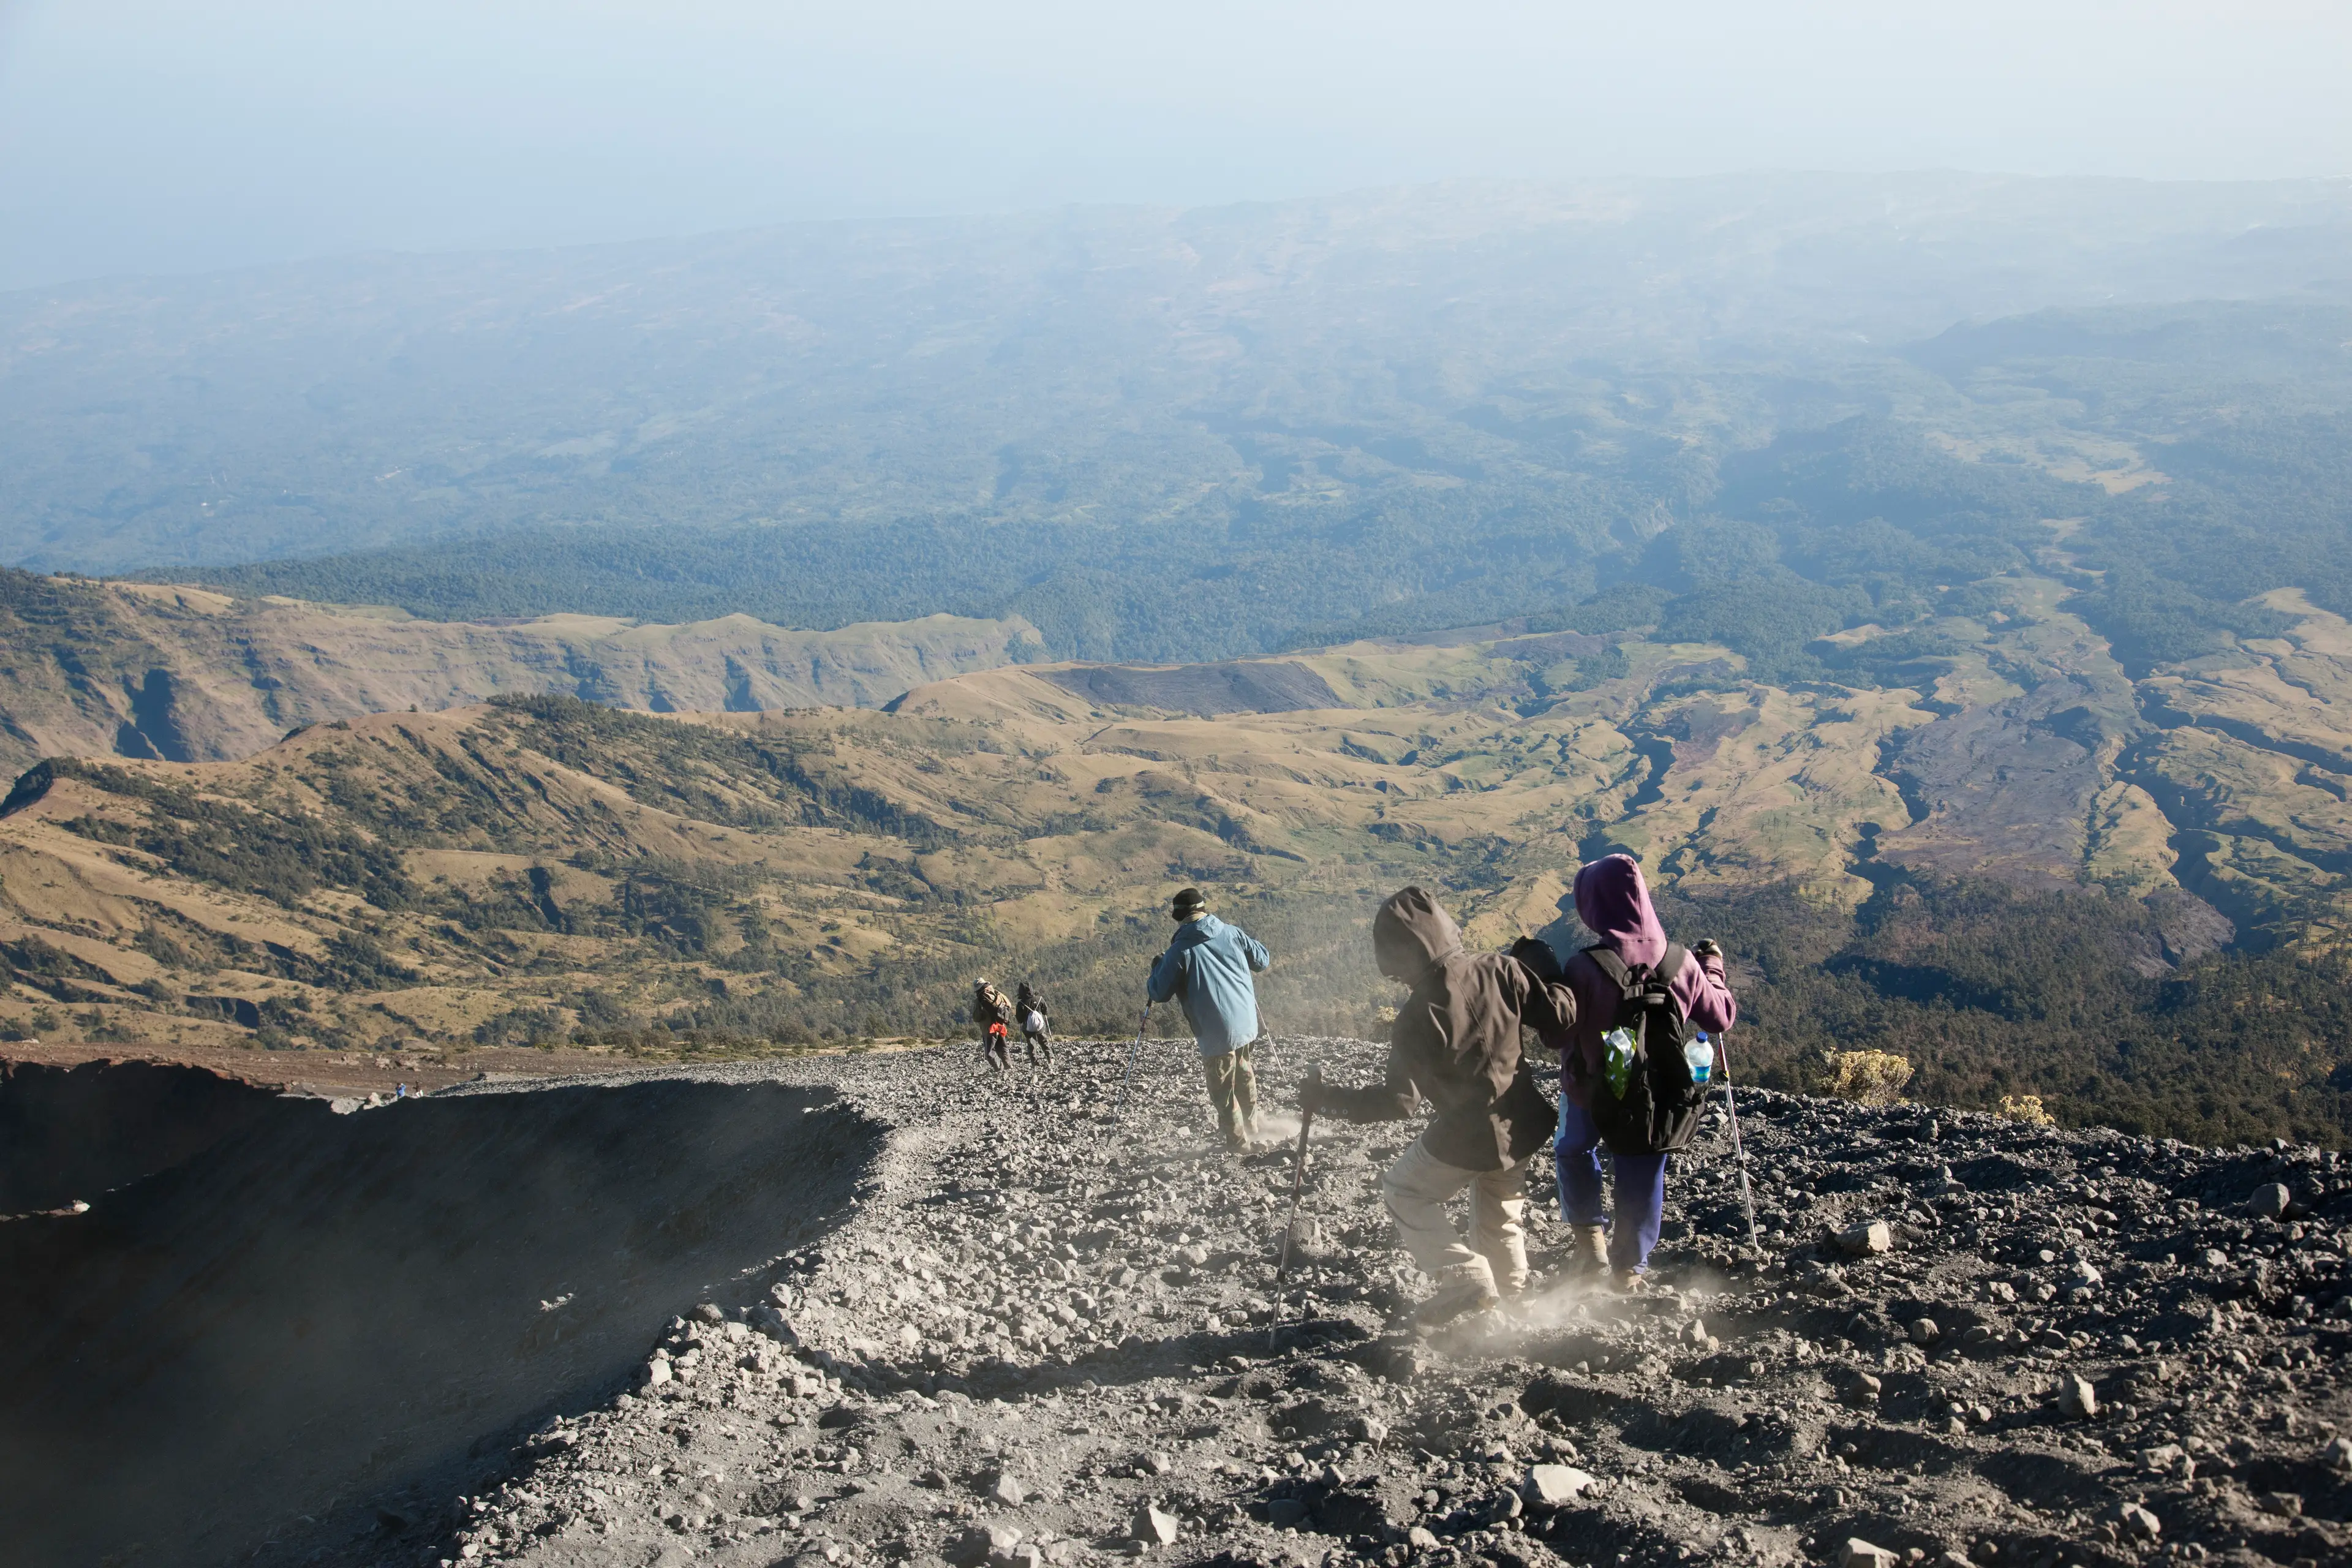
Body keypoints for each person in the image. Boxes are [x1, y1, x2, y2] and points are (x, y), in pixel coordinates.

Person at [1301, 886, 1577, 1328]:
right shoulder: (1501, 969)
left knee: (1404, 1191)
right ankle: (1516, 1309)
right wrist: (1548, 971)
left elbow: (1398, 1102)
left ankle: (1466, 1278)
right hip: (1521, 1121)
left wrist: (1328, 1099)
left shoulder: (1416, 1016)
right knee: (1501, 1215)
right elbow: (1560, 1016)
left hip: (1467, 1136)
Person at [1542, 853, 1736, 1291]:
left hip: (1589, 1091)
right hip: (1654, 1096)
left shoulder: (1584, 966)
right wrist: (1713, 970)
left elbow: (1557, 1036)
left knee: (1573, 1149)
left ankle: (1589, 1239)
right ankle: (1628, 1269)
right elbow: (1719, 1018)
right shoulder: (1681, 963)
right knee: (1642, 1173)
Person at [1147, 886, 1271, 1150]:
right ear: (1203, 910)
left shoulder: (1179, 951)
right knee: (1244, 1072)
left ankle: (1239, 1145)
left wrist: (1157, 968)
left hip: (1217, 1032)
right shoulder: (1232, 932)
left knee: (1223, 1090)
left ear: (1179, 918)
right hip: (1246, 1021)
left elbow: (1158, 992)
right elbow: (1262, 960)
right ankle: (1253, 1128)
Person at [971, 978, 1014, 1072]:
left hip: (989, 1028)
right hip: (1001, 1025)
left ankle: (999, 1069)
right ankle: (1008, 1065)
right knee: (1002, 1046)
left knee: (989, 1053)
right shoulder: (996, 993)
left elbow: (976, 1017)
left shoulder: (980, 998)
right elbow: (1009, 1005)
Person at [1015, 981, 1053, 1067]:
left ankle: (1035, 1063)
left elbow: (1019, 1019)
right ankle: (1051, 1059)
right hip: (1040, 1026)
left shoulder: (1021, 1004)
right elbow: (1046, 1011)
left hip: (1028, 1029)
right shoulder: (1039, 999)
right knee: (1044, 1042)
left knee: (1031, 1045)